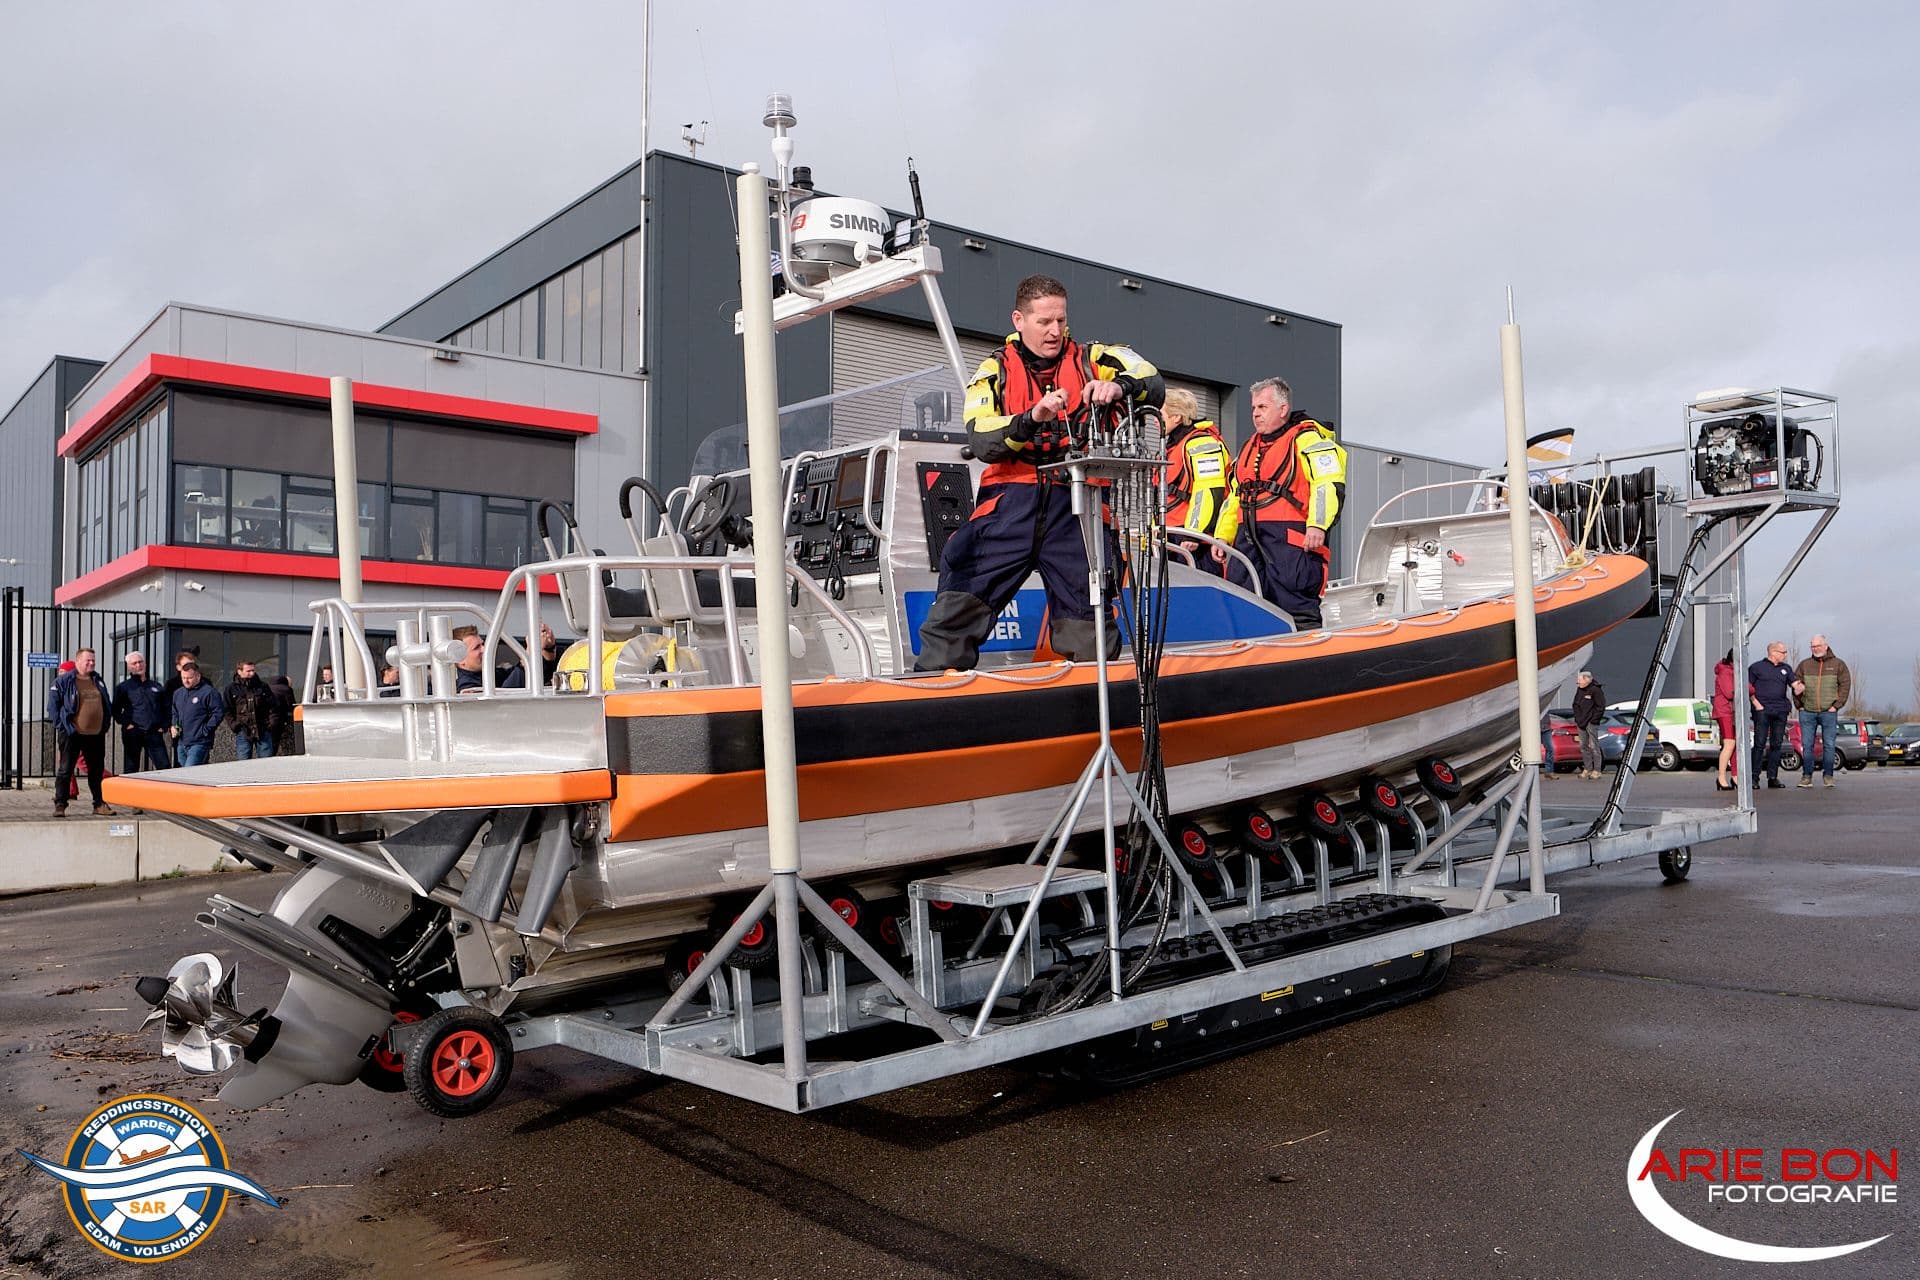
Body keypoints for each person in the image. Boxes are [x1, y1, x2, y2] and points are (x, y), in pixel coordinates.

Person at [915, 274, 1164, 671]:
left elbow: (1151, 380)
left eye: (1061, 321)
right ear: (1019, 320)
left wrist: (1118, 389)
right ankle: (934, 696)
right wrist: (1032, 417)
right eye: (1044, 322)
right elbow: (982, 440)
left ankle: (1093, 712)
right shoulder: (993, 371)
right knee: (955, 608)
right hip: (1010, 504)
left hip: (1077, 506)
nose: (1055, 331)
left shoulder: (1095, 358)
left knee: (1089, 627)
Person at [1229, 377, 1347, 629]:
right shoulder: (1249, 449)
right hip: (1248, 539)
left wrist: (1318, 525)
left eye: (1262, 407)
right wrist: (1221, 536)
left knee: (1295, 601)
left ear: (1283, 409)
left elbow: (1327, 484)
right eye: (1253, 408)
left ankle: (1308, 658)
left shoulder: (1309, 440)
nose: (1255, 414)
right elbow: (1235, 496)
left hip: (1291, 539)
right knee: (1244, 600)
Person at [1162, 388, 1240, 576]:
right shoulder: (1173, 446)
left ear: (1177, 417)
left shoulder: (1202, 444)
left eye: (1161, 413)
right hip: (1171, 536)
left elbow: (1209, 491)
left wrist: (1194, 533)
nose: (1156, 419)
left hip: (1194, 543)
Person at [46, 648, 114, 817]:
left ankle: (99, 804)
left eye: (93, 660)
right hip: (72, 734)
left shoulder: (97, 679)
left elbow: (106, 703)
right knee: (65, 770)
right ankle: (60, 804)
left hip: (95, 735)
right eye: (88, 660)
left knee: (96, 771)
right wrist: (63, 726)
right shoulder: (63, 681)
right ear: (77, 662)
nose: (91, 663)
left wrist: (105, 724)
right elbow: (53, 708)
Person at [1792, 634, 1852, 789]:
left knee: (1830, 745)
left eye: (1818, 645)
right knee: (1807, 745)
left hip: (1828, 712)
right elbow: (1795, 685)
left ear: (1826, 646)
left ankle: (1828, 776)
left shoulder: (1839, 664)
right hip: (1807, 712)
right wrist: (1799, 705)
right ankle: (1806, 777)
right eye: (1812, 646)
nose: (1815, 648)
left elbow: (1845, 686)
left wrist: (1836, 706)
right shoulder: (1804, 665)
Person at [112, 651, 172, 774]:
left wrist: (164, 726)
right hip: (133, 732)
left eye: (140, 662)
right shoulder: (123, 687)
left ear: (145, 664)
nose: (138, 665)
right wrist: (127, 723)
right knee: (131, 768)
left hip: (154, 732)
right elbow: (115, 710)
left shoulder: (156, 686)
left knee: (164, 766)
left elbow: (166, 707)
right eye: (134, 663)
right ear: (129, 666)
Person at [1746, 640, 1796, 789]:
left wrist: (1801, 687)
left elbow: (1795, 684)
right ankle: (1754, 778)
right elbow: (1747, 687)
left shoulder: (1786, 668)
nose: (1786, 655)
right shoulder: (1756, 668)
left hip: (1780, 710)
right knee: (1760, 743)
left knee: (1777, 744)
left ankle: (1772, 777)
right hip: (1762, 710)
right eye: (1783, 652)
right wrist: (1756, 704)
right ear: (1773, 652)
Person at [455, 623, 558, 693]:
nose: (485, 649)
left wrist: (548, 649)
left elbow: (537, 677)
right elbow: (503, 701)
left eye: (483, 644)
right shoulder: (467, 688)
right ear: (460, 660)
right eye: (476, 647)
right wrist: (530, 652)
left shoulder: (494, 674)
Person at [170, 662, 225, 767]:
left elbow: (218, 713)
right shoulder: (178, 693)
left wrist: (205, 730)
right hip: (182, 741)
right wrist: (174, 726)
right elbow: (175, 712)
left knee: (190, 771)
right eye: (183, 678)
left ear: (198, 676)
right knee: (185, 773)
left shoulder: (209, 692)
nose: (186, 681)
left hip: (200, 742)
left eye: (189, 678)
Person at [224, 659, 278, 760]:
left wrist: (271, 723)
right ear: (239, 671)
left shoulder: (262, 686)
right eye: (248, 671)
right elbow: (227, 709)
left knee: (266, 763)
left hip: (263, 728)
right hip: (243, 730)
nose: (252, 673)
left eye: (253, 670)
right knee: (243, 763)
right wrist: (235, 725)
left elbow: (273, 706)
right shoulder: (231, 689)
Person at [1570, 670, 1606, 779]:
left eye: (1579, 681)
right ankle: (1587, 769)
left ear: (1587, 680)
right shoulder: (1580, 690)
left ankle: (1597, 770)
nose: (1578, 683)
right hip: (1580, 722)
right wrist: (1578, 718)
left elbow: (1600, 707)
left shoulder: (1595, 690)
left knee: (1594, 746)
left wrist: (1593, 720)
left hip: (1591, 723)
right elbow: (1575, 704)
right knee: (1583, 746)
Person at [1712, 649, 1738, 791]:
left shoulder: (1732, 671)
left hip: (1732, 711)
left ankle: (1735, 776)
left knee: (1734, 744)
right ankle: (1721, 777)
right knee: (1729, 743)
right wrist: (1749, 689)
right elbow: (1729, 692)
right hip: (1725, 711)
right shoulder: (1726, 672)